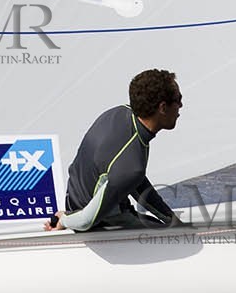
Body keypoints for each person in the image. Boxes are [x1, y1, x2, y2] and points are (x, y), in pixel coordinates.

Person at [46, 69, 185, 231]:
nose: (181, 105)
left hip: (82, 203)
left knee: (173, 227)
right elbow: (85, 221)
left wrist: (170, 218)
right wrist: (64, 220)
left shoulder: (119, 112)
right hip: (96, 220)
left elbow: (133, 181)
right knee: (176, 240)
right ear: (162, 107)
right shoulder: (132, 165)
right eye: (178, 100)